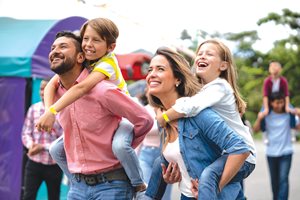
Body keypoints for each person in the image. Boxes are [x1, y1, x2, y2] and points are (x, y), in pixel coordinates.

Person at [36, 17, 147, 194]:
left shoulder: (107, 64)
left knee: (119, 145)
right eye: (86, 38)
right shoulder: (88, 61)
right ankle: (76, 180)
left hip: (123, 117)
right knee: (55, 149)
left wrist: (53, 110)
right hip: (82, 186)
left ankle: (138, 183)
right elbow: (50, 84)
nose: (88, 44)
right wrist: (50, 112)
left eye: (95, 40)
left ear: (110, 47)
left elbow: (83, 87)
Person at [153, 39, 256, 199]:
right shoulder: (203, 92)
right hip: (224, 154)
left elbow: (190, 106)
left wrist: (163, 117)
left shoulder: (219, 87)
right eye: (199, 54)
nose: (201, 56)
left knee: (209, 176)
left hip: (241, 155)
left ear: (223, 65)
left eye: (209, 54)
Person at [253, 91, 300, 200]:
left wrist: (298, 113)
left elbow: (298, 127)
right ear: (271, 103)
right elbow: (255, 130)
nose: (280, 105)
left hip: (286, 152)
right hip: (271, 153)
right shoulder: (266, 115)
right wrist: (259, 118)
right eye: (277, 103)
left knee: (283, 179)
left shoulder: (289, 114)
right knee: (274, 181)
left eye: (282, 102)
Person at [21, 79, 63, 200]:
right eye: (40, 89)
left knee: (54, 197)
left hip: (54, 165)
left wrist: (43, 147)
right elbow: (25, 133)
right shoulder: (33, 109)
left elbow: (63, 140)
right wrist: (31, 146)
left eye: (46, 88)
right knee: (28, 196)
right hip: (34, 163)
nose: (42, 92)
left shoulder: (60, 112)